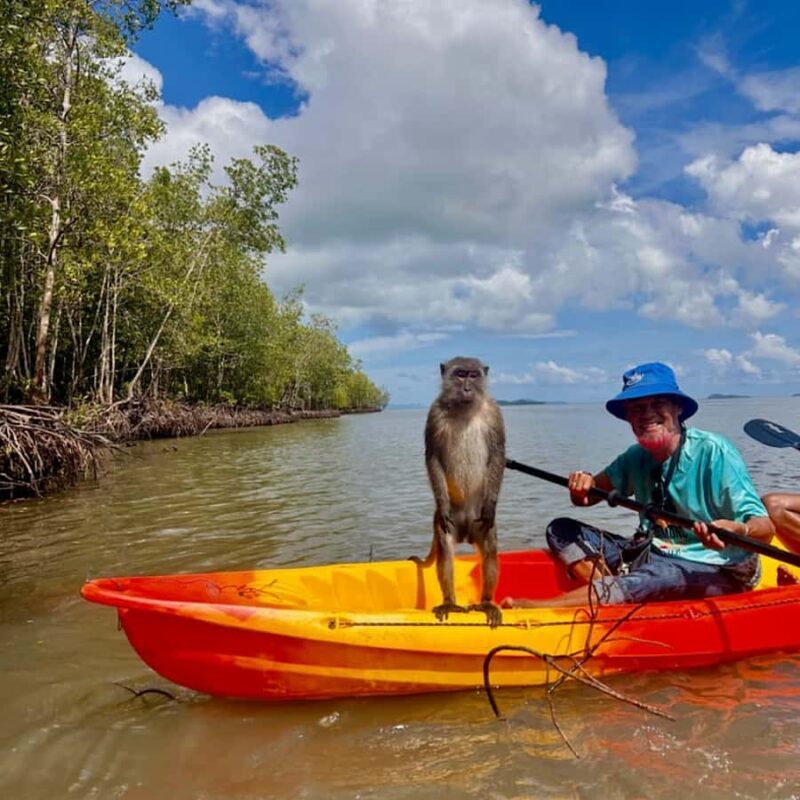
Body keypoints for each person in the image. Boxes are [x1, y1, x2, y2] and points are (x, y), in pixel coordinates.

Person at [502, 361, 775, 608]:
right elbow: (586, 497)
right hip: (653, 551)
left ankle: (542, 608)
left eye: (657, 403)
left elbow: (765, 528)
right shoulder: (636, 457)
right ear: (629, 417)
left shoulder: (714, 451)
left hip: (720, 566)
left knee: (660, 575)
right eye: (637, 408)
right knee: (561, 530)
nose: (647, 414)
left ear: (678, 408)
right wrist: (581, 481)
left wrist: (740, 529)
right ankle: (611, 593)